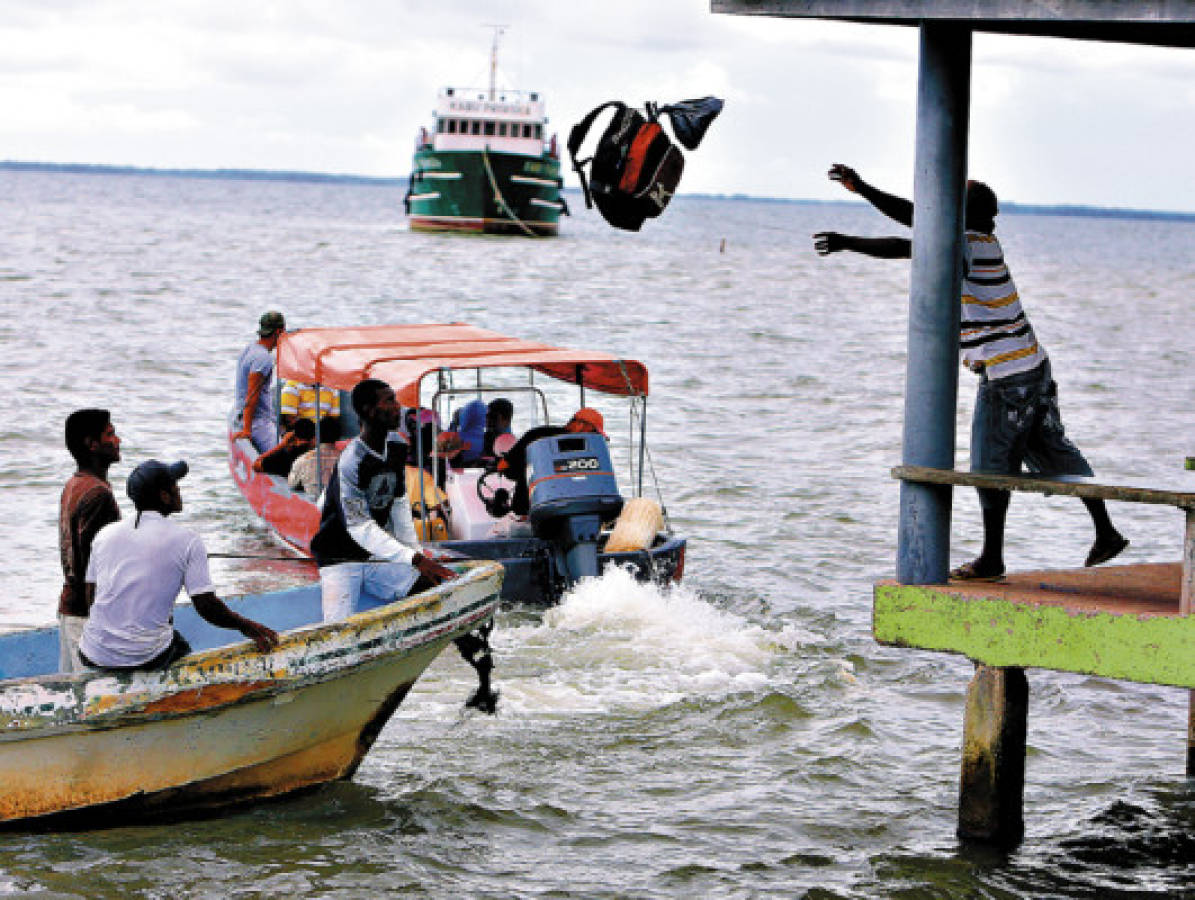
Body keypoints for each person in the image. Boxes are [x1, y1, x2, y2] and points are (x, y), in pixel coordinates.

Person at [814, 164, 1128, 580]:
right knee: (1057, 452)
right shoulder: (982, 241)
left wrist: (850, 229)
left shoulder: (966, 244)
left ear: (960, 214)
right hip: (1033, 363)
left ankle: (992, 558)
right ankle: (1106, 531)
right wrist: (860, 202)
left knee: (989, 467)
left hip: (1006, 374)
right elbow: (914, 229)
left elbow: (908, 234)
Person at [78, 460, 278, 671]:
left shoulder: (104, 534)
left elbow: (91, 595)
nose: (179, 490)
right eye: (176, 485)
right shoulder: (188, 540)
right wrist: (246, 626)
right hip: (146, 656)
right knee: (178, 646)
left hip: (92, 652)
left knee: (166, 631)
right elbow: (206, 606)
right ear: (164, 496)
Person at [309, 379, 456, 622]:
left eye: (396, 400)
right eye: (389, 401)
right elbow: (359, 526)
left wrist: (415, 554)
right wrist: (413, 559)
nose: (398, 407)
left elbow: (399, 503)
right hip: (339, 559)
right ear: (368, 410)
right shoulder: (352, 461)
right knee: (338, 630)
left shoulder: (397, 446)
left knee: (431, 586)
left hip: (374, 556)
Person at [58, 409, 122, 673]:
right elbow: (93, 568)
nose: (118, 440)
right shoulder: (98, 494)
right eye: (110, 434)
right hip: (87, 618)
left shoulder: (74, 484)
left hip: (70, 609)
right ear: (92, 444)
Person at [498, 407, 607, 517]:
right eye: (593, 431)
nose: (594, 436)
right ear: (579, 425)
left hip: (535, 509)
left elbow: (505, 466)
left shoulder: (538, 434)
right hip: (578, 507)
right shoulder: (588, 448)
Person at [233, 310, 286, 453]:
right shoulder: (263, 358)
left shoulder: (251, 348)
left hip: (251, 417)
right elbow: (252, 396)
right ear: (278, 332)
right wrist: (247, 431)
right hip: (257, 422)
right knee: (282, 456)